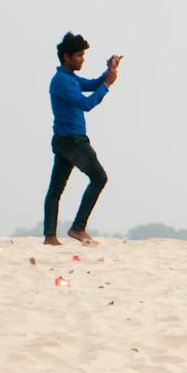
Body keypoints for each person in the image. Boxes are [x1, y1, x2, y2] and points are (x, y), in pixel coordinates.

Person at [45, 33, 121, 247]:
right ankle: (78, 228)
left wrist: (110, 72)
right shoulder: (62, 81)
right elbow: (85, 103)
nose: (82, 59)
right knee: (99, 178)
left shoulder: (69, 78)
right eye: (78, 55)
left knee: (56, 189)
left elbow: (92, 83)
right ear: (66, 57)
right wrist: (107, 85)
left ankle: (50, 237)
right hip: (72, 141)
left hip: (64, 140)